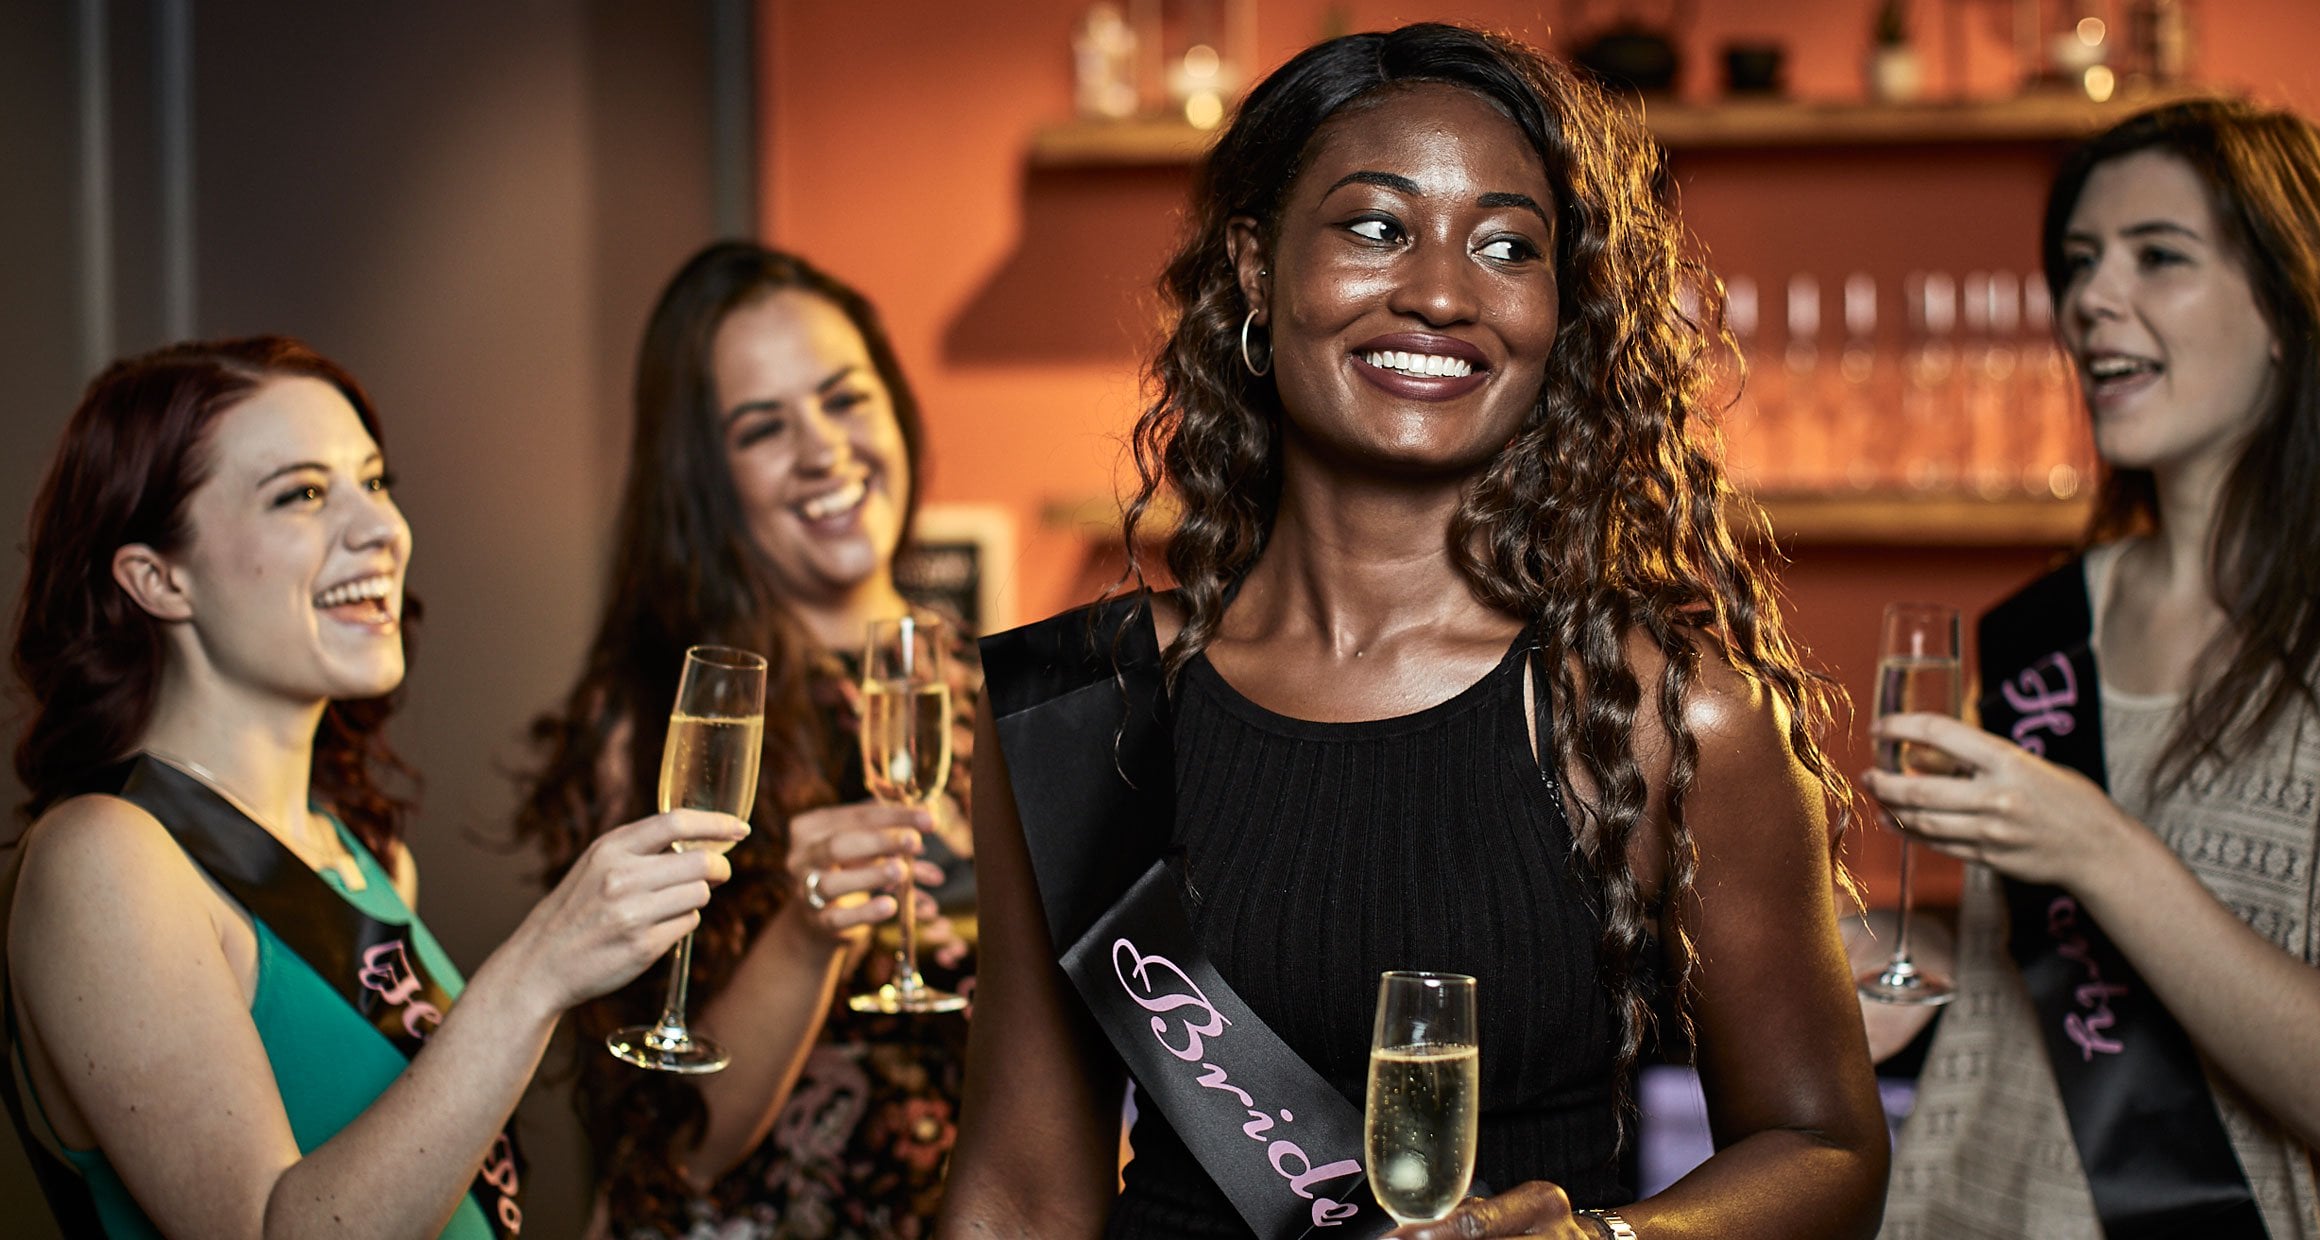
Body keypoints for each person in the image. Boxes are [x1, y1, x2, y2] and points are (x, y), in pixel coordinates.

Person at [943, 23, 1887, 1240]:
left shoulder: (1663, 715)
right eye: (1377, 228)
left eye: (1507, 247)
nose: (1441, 293)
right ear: (1254, 268)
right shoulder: (1083, 702)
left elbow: (1826, 1149)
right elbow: (1021, 1195)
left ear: (1560, 309)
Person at [1870, 98, 2320, 1239]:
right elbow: (2066, 981)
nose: (2091, 298)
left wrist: (2096, 844)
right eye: (2080, 261)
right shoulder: (2045, 624)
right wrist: (1911, 959)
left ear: (2291, 304)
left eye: (2158, 256)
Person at [2, 338, 743, 1238]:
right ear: (160, 579)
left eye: (375, 483)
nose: (385, 530)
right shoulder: (105, 858)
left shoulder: (363, 856)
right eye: (303, 494)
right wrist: (538, 971)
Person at [516, 241, 975, 1238]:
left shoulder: (1001, 693)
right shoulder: (663, 720)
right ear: (706, 476)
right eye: (762, 428)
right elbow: (675, 1148)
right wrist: (807, 934)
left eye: (845, 400)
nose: (824, 450)